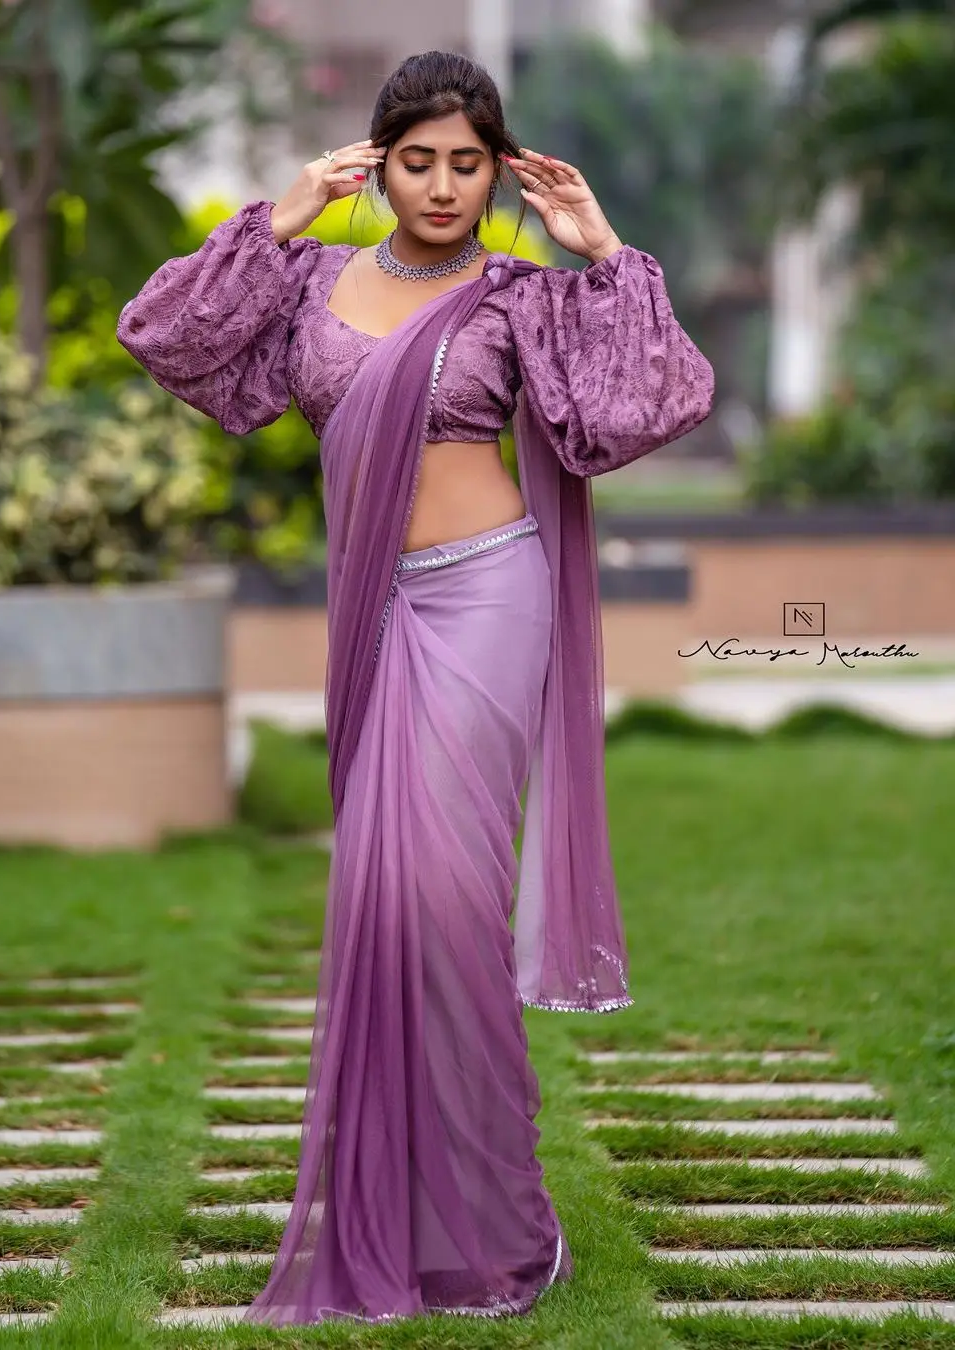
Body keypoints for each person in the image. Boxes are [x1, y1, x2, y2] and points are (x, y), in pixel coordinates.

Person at [117, 49, 714, 1328]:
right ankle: (416, 1214)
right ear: (376, 164)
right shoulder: (310, 287)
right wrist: (273, 220)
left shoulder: (520, 298)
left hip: (491, 601)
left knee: (447, 899)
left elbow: (650, 402)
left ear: (499, 168)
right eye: (417, 159)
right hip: (370, 617)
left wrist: (604, 252)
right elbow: (166, 336)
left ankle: (507, 1225)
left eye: (466, 161)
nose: (443, 185)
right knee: (384, 908)